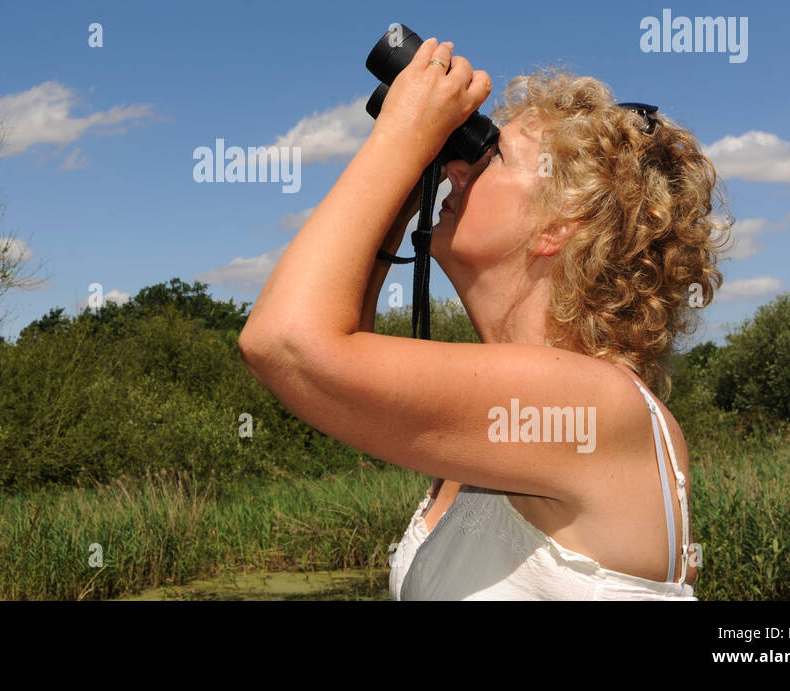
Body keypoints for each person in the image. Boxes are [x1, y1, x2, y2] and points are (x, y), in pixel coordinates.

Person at [237, 38, 730, 600]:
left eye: (492, 155)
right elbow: (333, 371)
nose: (456, 169)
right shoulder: (514, 424)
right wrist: (399, 199)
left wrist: (399, 140)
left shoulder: (596, 407)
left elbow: (286, 344)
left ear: (558, 227)